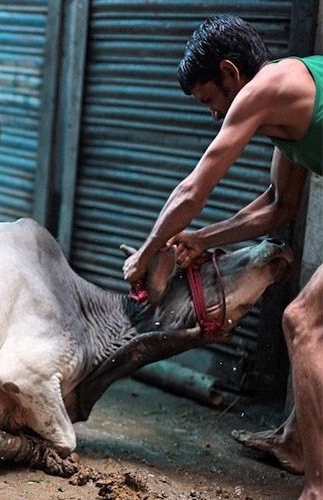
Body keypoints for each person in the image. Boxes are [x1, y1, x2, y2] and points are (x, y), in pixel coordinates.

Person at [121, 15, 321, 499]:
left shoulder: (264, 90)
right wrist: (201, 240)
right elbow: (279, 206)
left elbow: (192, 189)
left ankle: (318, 484)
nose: (213, 115)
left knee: (303, 321)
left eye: (209, 100)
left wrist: (147, 253)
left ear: (231, 75)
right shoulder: (285, 105)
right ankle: (296, 440)